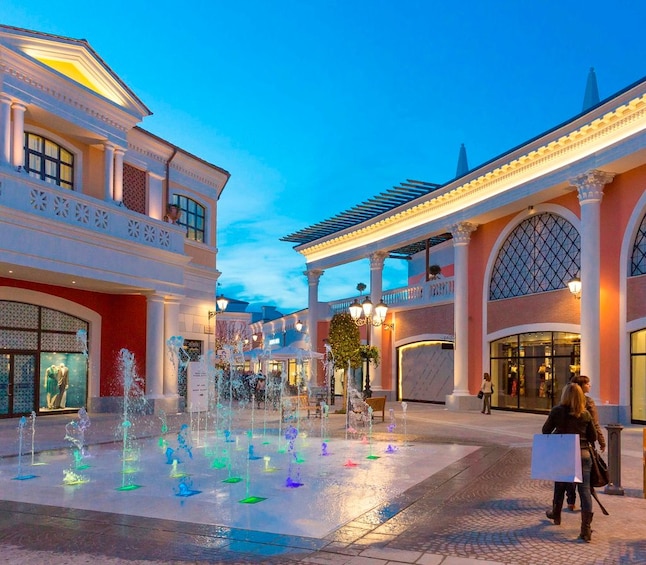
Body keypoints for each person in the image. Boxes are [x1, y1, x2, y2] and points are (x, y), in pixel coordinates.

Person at [542, 383, 597, 542]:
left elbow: (545, 430)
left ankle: (556, 514)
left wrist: (560, 433)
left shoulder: (557, 411)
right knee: (585, 491)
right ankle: (585, 530)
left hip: (564, 453)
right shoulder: (585, 414)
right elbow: (592, 437)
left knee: (559, 484)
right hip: (583, 453)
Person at [564, 375, 606, 511]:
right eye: (587, 384)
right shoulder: (588, 403)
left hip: (567, 445)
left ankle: (570, 500)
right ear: (581, 386)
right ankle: (585, 512)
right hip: (584, 445)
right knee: (585, 480)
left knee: (569, 473)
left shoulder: (564, 404)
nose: (589, 386)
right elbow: (595, 425)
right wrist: (601, 441)